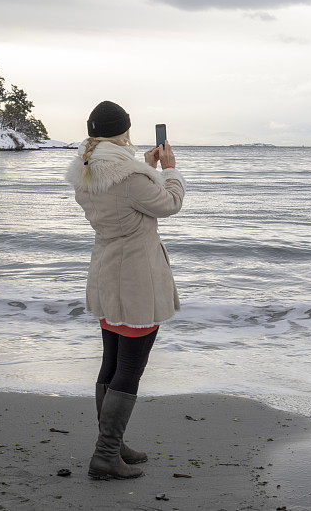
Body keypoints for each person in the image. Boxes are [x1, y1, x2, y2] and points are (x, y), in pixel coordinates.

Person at [64, 101, 186, 480]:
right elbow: (170, 203)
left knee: (112, 360)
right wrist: (169, 170)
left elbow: (123, 198)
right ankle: (105, 455)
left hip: (105, 274)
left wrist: (145, 167)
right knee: (130, 366)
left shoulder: (86, 171)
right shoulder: (131, 178)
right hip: (136, 279)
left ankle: (113, 445)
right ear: (124, 132)